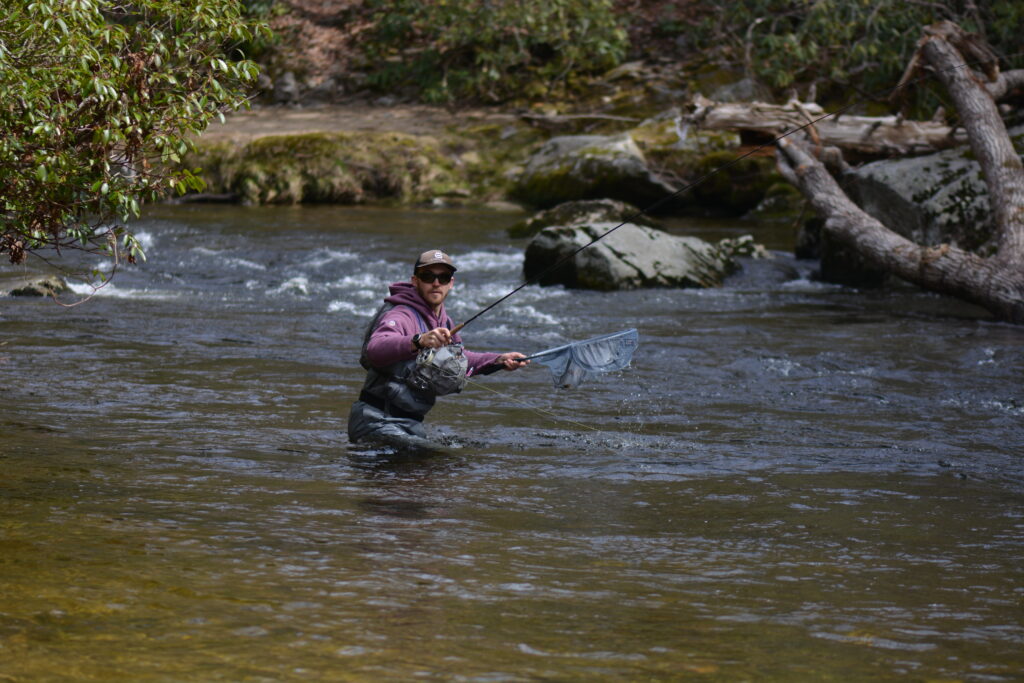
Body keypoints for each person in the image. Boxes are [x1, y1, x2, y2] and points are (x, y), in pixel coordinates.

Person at [348, 248, 528, 449]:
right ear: (415, 281)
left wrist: (498, 360)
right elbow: (375, 349)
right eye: (428, 276)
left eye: (443, 277)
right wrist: (418, 340)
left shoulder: (443, 320)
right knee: (437, 460)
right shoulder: (400, 314)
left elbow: (460, 358)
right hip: (376, 421)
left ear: (451, 283)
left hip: (410, 424)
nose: (436, 283)